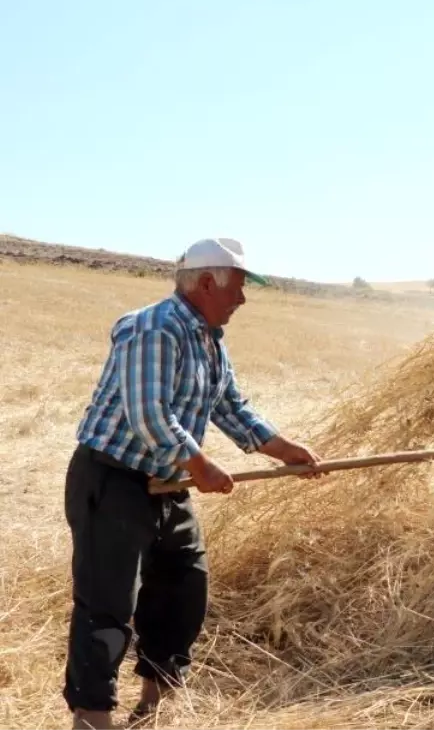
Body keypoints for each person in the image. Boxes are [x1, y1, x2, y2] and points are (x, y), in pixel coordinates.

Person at [64, 238, 324, 730]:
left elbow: (231, 407)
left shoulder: (208, 339)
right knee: (108, 604)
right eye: (240, 287)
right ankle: (92, 717)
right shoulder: (153, 328)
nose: (242, 300)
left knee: (184, 589)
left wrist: (283, 448)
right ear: (208, 282)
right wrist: (201, 464)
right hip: (114, 481)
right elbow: (150, 416)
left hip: (167, 486)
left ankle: (151, 710)